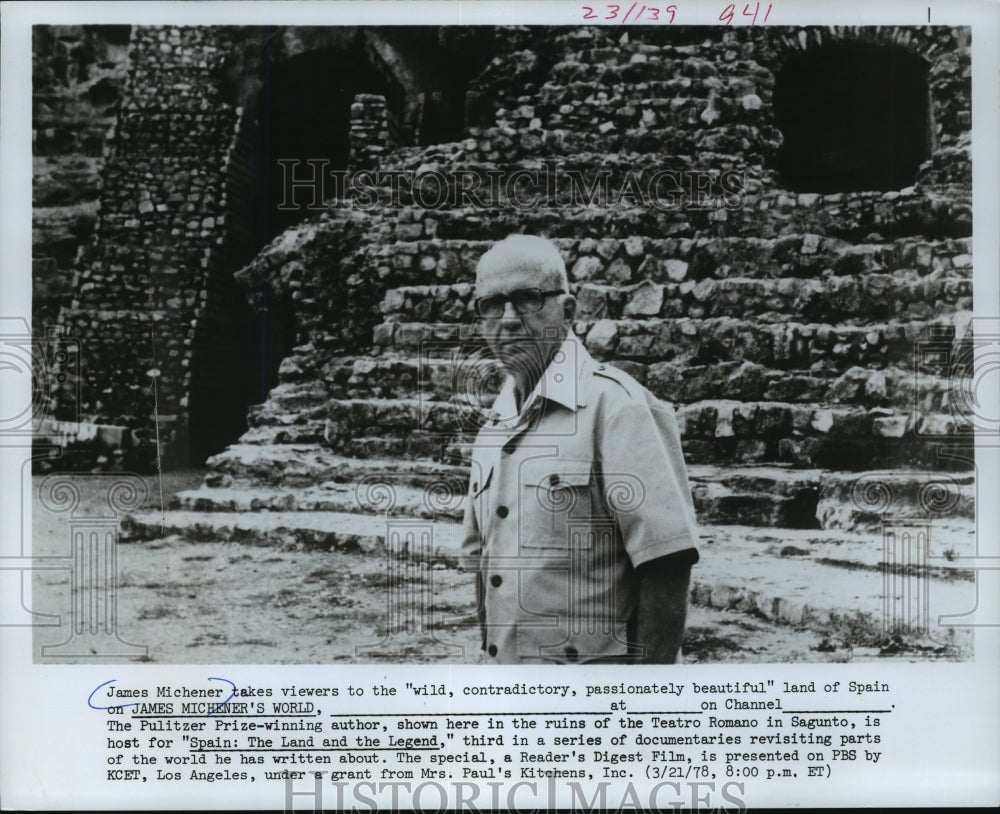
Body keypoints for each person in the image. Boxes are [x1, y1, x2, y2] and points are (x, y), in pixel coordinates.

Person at [459, 234, 700, 664]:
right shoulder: (493, 430)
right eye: (491, 304)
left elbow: (666, 564)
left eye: (527, 299)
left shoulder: (617, 408)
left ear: (567, 311)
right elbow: (485, 569)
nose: (509, 318)